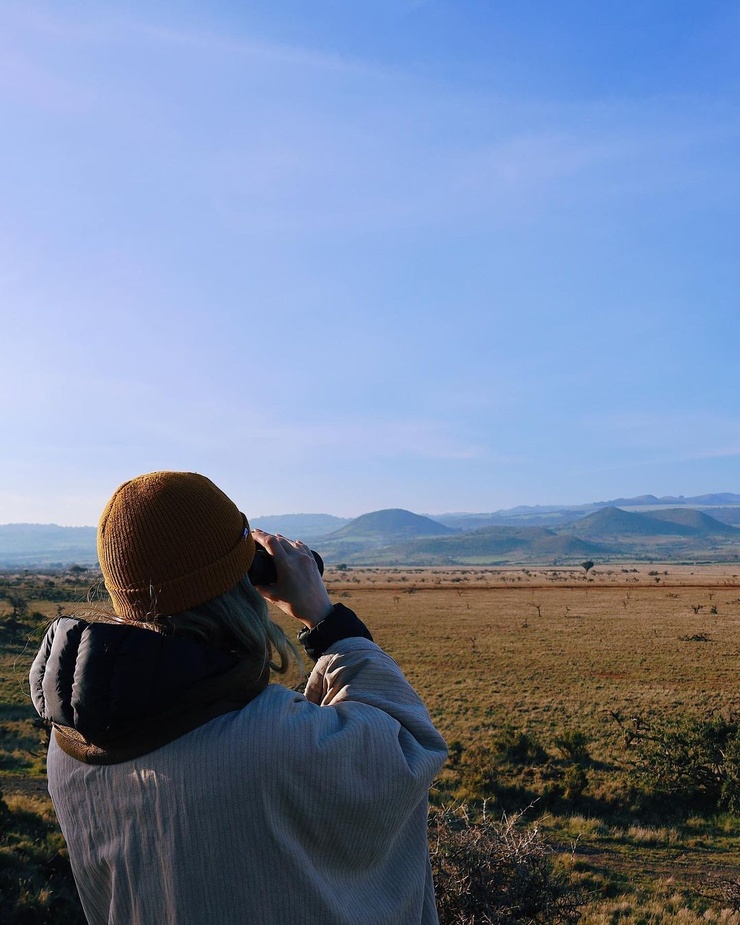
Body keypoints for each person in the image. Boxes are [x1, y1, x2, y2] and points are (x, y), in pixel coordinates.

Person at [30, 471, 447, 925]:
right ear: (243, 585)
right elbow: (407, 746)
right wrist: (327, 622)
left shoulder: (70, 745)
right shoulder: (271, 747)